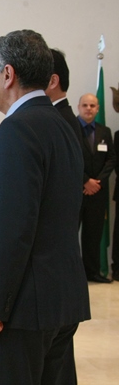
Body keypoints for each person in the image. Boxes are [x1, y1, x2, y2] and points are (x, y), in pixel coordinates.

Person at [0, 29, 91, 385]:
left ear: (8, 73)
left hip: (20, 309)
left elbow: (14, 230)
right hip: (58, 300)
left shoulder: (19, 129)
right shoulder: (61, 125)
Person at [76, 93, 116, 283]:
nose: (89, 109)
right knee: (69, 235)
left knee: (93, 235)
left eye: (92, 105)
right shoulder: (70, 129)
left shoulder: (104, 131)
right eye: (85, 105)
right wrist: (85, 181)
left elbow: (111, 160)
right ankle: (71, 274)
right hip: (75, 192)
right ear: (79, 107)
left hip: (97, 193)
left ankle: (91, 272)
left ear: (98, 109)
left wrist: (96, 182)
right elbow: (68, 159)